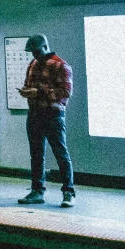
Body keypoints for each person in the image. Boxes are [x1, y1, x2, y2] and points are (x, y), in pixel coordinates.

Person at [17, 34, 76, 206]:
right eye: (32, 52)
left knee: (61, 154)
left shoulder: (61, 66)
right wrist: (27, 91)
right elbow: (30, 85)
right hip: (34, 113)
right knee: (36, 155)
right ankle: (37, 191)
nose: (34, 55)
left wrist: (38, 93)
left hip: (53, 115)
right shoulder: (33, 65)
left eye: (36, 51)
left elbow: (65, 92)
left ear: (45, 47)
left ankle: (68, 192)